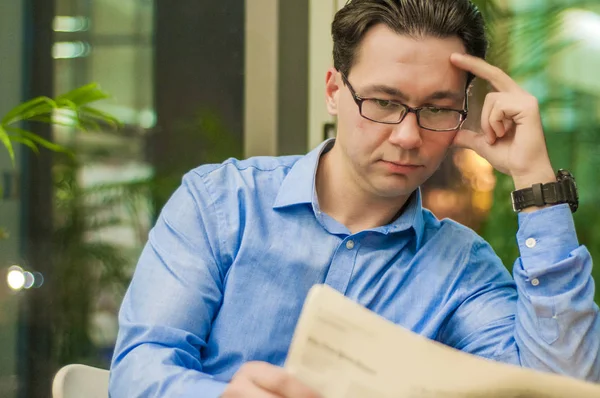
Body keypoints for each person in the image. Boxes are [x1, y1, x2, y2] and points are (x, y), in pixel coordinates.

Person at [109, 0, 600, 397]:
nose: (408, 136)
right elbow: (138, 365)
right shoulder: (220, 203)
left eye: (437, 108)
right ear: (333, 91)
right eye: (384, 102)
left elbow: (561, 386)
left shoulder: (462, 269)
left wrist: (537, 184)